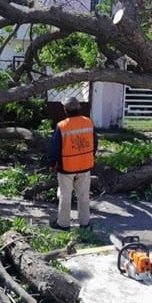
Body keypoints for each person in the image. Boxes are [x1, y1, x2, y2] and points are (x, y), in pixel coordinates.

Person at [48, 97, 97, 231]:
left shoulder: (62, 126)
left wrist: (52, 164)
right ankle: (85, 223)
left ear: (65, 109)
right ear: (79, 108)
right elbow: (95, 144)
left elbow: (55, 148)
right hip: (85, 166)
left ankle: (63, 224)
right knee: (83, 195)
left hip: (67, 167)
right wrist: (88, 157)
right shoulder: (88, 123)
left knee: (65, 196)